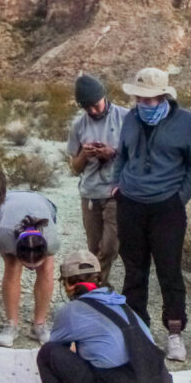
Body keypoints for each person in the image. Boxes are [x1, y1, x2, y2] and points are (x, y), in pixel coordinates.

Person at [34, 251, 175, 383]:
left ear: (68, 285)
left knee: (48, 355)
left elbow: (59, 351)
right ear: (98, 279)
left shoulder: (71, 311)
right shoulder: (124, 305)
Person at [112, 67, 191, 362]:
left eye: (150, 99)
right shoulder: (130, 118)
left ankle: (175, 333)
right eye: (140, 98)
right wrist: (116, 184)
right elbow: (122, 155)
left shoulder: (187, 123)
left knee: (169, 271)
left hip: (167, 207)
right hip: (130, 204)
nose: (144, 104)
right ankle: (138, 329)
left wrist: (180, 198)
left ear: (164, 96)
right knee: (133, 269)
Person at [67, 74, 128, 286]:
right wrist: (84, 155)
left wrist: (112, 153)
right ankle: (99, 287)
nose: (93, 111)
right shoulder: (78, 126)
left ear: (104, 96)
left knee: (110, 246)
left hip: (116, 191)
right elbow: (75, 167)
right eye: (87, 108)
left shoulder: (126, 118)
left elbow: (138, 156)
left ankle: (95, 286)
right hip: (90, 193)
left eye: (96, 105)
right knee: (94, 247)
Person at [0, 190, 61, 346]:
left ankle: (39, 326)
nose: (32, 269)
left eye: (36, 263)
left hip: (42, 204)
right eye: (28, 265)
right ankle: (11, 325)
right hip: (5, 206)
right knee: (12, 266)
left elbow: (46, 266)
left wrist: (40, 262)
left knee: (47, 269)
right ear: (16, 250)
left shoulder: (52, 241)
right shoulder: (5, 238)